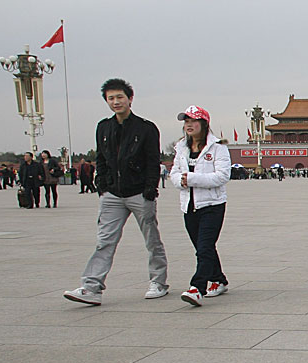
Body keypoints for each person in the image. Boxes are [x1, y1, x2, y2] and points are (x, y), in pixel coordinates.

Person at [63, 78, 168, 306]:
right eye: (111, 98)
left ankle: (158, 281)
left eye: (120, 97)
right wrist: (101, 184)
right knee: (105, 241)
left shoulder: (146, 128)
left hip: (139, 193)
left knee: (152, 240)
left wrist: (150, 189)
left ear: (130, 98)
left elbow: (153, 160)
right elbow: (100, 158)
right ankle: (91, 287)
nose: (116, 102)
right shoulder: (104, 127)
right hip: (112, 195)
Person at [169, 105, 230, 307]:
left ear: (203, 124)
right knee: (203, 247)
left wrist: (192, 178)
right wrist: (181, 181)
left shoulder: (218, 148)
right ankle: (219, 280)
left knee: (203, 248)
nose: (189, 125)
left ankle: (197, 288)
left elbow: (222, 176)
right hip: (189, 206)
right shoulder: (181, 148)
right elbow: (174, 173)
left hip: (212, 205)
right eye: (186, 122)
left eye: (193, 121)